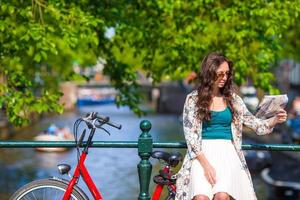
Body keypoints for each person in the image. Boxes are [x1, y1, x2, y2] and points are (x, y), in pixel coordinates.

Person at [175, 52, 287, 200]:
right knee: (200, 197)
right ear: (210, 73)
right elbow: (190, 136)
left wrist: (275, 120)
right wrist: (206, 165)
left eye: (227, 73)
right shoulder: (193, 99)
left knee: (222, 196)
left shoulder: (234, 100)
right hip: (200, 155)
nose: (224, 77)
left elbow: (257, 125)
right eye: (220, 73)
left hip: (227, 153)